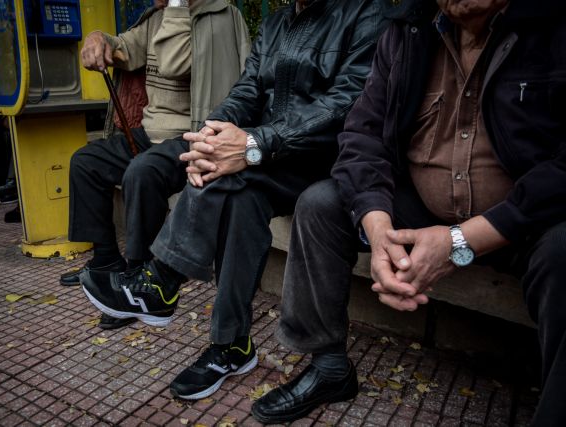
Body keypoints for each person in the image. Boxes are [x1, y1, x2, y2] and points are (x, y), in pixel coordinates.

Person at [255, 0, 566, 424]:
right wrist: (378, 228)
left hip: (524, 219)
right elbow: (363, 135)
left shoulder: (554, 28)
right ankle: (328, 366)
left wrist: (461, 240)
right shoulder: (408, 31)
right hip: (420, 208)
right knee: (321, 204)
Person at [81, 0, 389, 401]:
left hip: (326, 158)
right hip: (274, 155)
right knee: (236, 192)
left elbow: (345, 103)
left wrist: (254, 142)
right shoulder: (277, 23)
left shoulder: (366, 13)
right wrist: (211, 135)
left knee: (229, 174)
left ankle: (162, 282)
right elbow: (247, 89)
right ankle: (232, 345)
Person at [61, 0, 250, 330]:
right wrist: (98, 38)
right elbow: (126, 48)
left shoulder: (217, 16)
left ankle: (138, 283)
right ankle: (106, 263)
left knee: (142, 171)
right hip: (149, 133)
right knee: (86, 162)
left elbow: (174, 62)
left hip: (192, 134)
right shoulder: (157, 18)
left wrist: (176, 6)